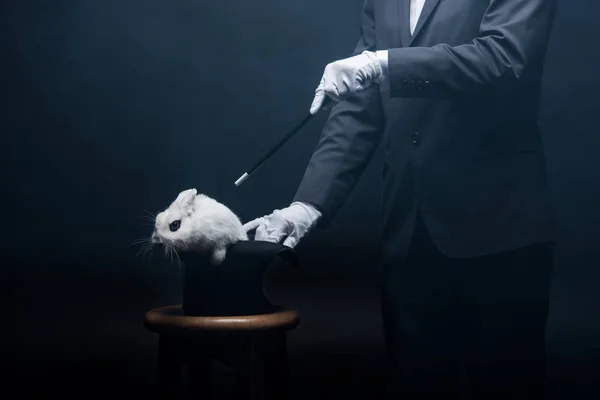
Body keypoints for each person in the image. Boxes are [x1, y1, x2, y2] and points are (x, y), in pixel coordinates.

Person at [243, 0, 558, 397]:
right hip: (408, 236)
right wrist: (306, 207)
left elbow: (505, 58)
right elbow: (360, 108)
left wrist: (382, 64)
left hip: (499, 233)